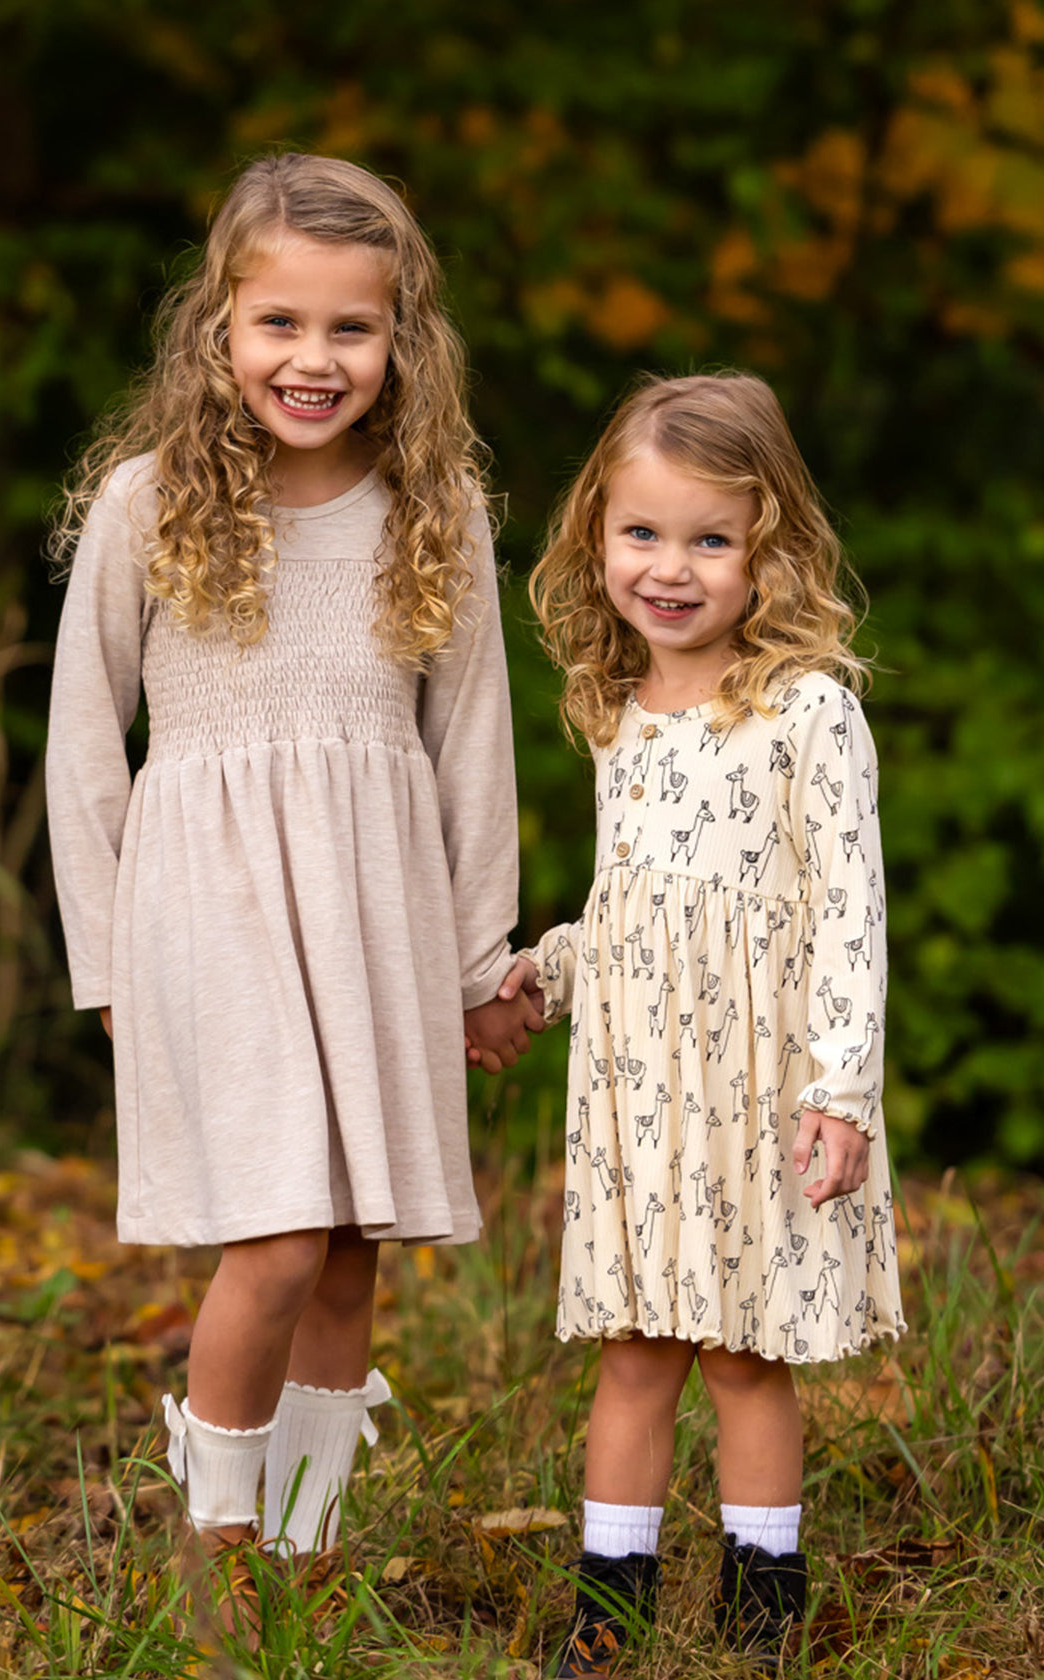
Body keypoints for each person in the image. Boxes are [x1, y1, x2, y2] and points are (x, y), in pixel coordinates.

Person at [45, 152, 540, 1631]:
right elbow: (83, 742)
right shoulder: (150, 505)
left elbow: (470, 749)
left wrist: (475, 961)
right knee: (267, 1236)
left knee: (343, 1249)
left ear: (401, 343)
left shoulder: (430, 505)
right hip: (208, 914)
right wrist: (111, 968)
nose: (312, 360)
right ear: (219, 327)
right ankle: (213, 1566)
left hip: (373, 913)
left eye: (350, 329)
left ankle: (312, 1556)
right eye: (280, 324)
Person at [498, 372, 906, 1674]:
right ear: (595, 537)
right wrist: (546, 973)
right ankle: (605, 1620)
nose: (670, 569)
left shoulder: (804, 710)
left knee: (742, 1356)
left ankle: (759, 1613)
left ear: (765, 546)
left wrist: (837, 1092)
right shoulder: (618, 709)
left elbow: (847, 911)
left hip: (762, 1090)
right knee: (634, 1349)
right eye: (642, 533)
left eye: (708, 539)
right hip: (640, 1093)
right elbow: (633, 904)